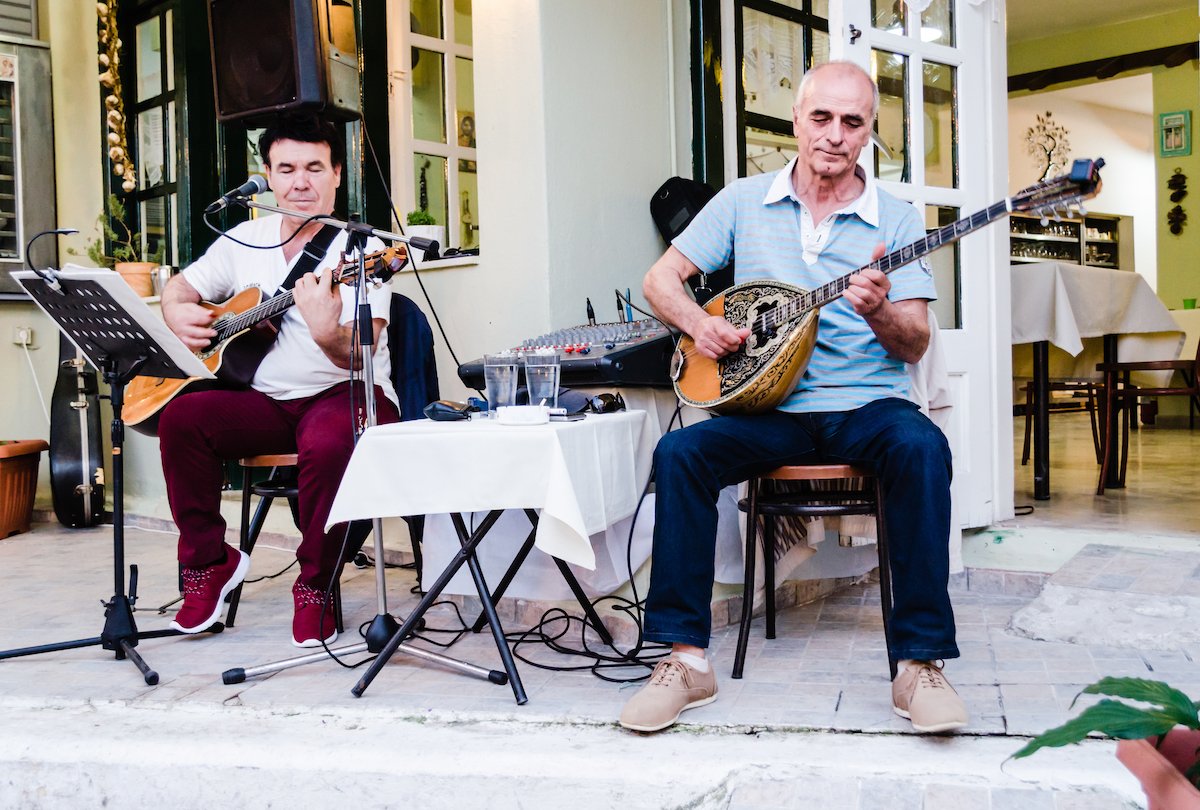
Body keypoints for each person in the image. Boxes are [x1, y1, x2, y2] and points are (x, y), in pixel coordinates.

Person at [619, 61, 967, 734]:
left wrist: (879, 314)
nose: (834, 135)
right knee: (682, 453)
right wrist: (700, 324)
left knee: (922, 446)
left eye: (852, 122)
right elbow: (660, 281)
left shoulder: (894, 219)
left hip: (867, 407)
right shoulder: (743, 202)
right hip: (770, 413)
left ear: (869, 133)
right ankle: (686, 662)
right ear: (796, 122)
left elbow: (915, 343)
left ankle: (919, 665)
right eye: (821, 118)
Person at [158, 115, 399, 648]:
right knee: (181, 418)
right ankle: (211, 564)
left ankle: (316, 583)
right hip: (265, 403)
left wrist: (325, 329)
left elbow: (359, 357)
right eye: (286, 168)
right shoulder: (243, 238)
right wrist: (177, 312)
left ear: (338, 174)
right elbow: (180, 287)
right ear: (266, 175)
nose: (301, 182)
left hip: (344, 396)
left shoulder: (363, 251)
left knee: (330, 438)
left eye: (315, 167)